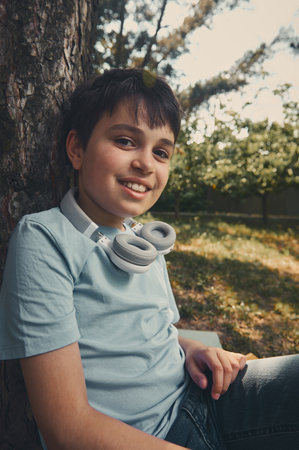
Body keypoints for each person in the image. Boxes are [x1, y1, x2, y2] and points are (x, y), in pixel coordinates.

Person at [0, 68, 298, 450]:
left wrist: (193, 348)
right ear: (76, 149)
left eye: (161, 152)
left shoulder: (144, 239)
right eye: (126, 141)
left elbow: (152, 330)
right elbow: (67, 429)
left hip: (204, 399)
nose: (146, 163)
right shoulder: (45, 239)